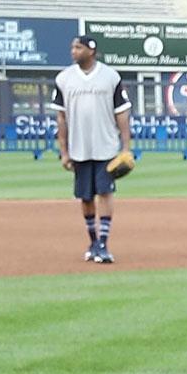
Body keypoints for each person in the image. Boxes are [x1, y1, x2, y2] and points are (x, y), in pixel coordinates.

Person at [51, 36, 130, 263]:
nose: (73, 51)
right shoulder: (64, 78)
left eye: (78, 47)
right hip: (79, 147)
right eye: (72, 47)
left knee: (105, 192)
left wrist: (126, 147)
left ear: (91, 51)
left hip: (106, 145)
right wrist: (64, 151)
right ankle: (93, 241)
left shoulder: (110, 77)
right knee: (85, 197)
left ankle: (104, 244)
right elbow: (61, 117)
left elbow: (122, 113)